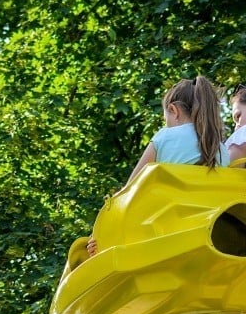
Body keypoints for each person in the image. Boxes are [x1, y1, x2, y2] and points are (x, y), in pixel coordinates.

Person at [87, 75, 228, 255]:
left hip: (162, 234)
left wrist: (100, 236)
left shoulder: (164, 137)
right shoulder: (223, 151)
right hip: (208, 236)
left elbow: (129, 192)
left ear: (173, 110)